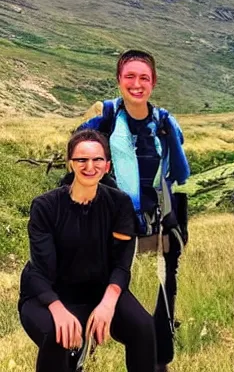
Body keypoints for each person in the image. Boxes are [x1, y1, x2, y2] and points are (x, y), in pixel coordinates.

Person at [78, 49, 190, 372]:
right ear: (119, 80)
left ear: (153, 82)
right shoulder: (106, 118)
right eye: (130, 77)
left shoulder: (165, 124)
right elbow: (79, 157)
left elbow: (181, 175)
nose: (136, 84)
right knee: (94, 304)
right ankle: (81, 356)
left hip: (156, 235)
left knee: (158, 316)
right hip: (110, 235)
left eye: (144, 78)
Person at [19, 129, 156, 372]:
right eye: (81, 159)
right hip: (47, 294)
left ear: (107, 165)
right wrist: (58, 308)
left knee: (143, 327)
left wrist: (107, 304)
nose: (89, 166)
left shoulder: (119, 204)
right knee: (56, 334)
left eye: (97, 160)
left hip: (99, 291)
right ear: (71, 164)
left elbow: (122, 264)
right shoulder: (45, 206)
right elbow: (39, 270)